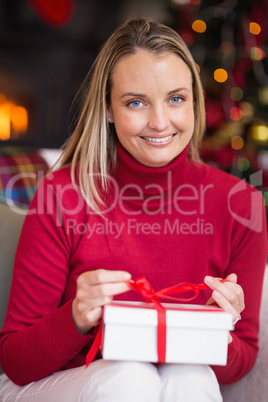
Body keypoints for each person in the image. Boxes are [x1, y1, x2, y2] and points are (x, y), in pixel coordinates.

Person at [0, 17, 267, 402]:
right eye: (136, 102)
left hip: (174, 386)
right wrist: (75, 316)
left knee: (191, 377)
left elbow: (241, 360)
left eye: (176, 98)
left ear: (196, 100)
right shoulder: (62, 196)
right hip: (56, 383)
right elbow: (16, 362)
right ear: (109, 110)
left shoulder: (241, 205)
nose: (160, 122)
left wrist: (218, 331)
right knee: (130, 376)